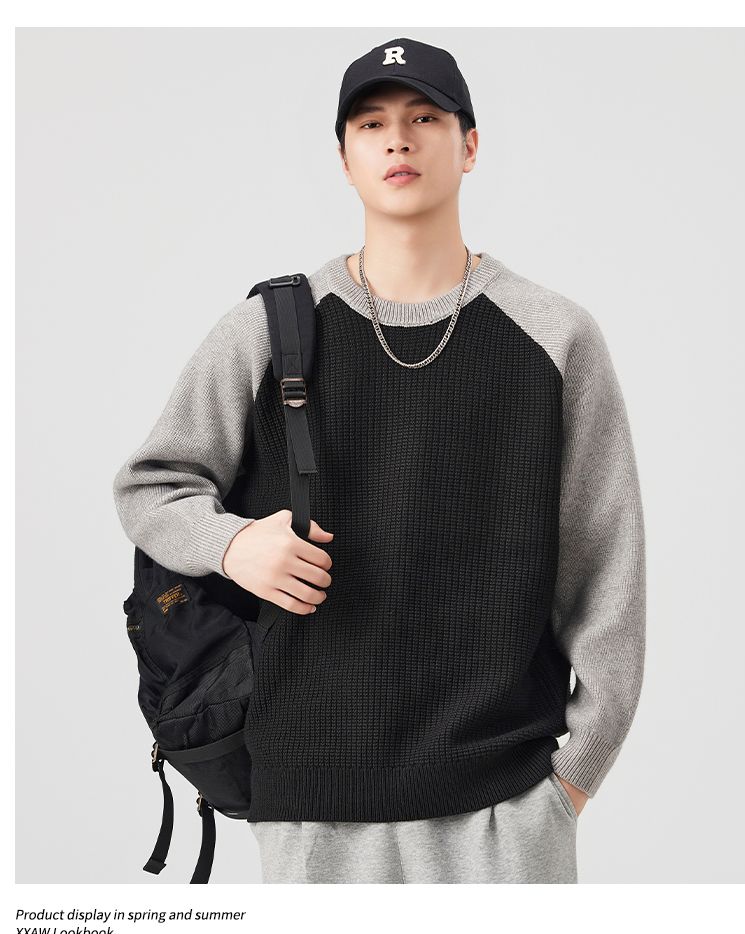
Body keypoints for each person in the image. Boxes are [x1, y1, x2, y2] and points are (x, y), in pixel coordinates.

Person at [113, 36, 646, 884]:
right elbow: (149, 488)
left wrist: (571, 780)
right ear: (345, 158)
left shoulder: (555, 337)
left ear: (470, 145)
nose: (398, 139)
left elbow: (606, 573)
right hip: (311, 814)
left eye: (425, 118)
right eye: (371, 124)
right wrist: (232, 544)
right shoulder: (269, 331)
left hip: (505, 812)